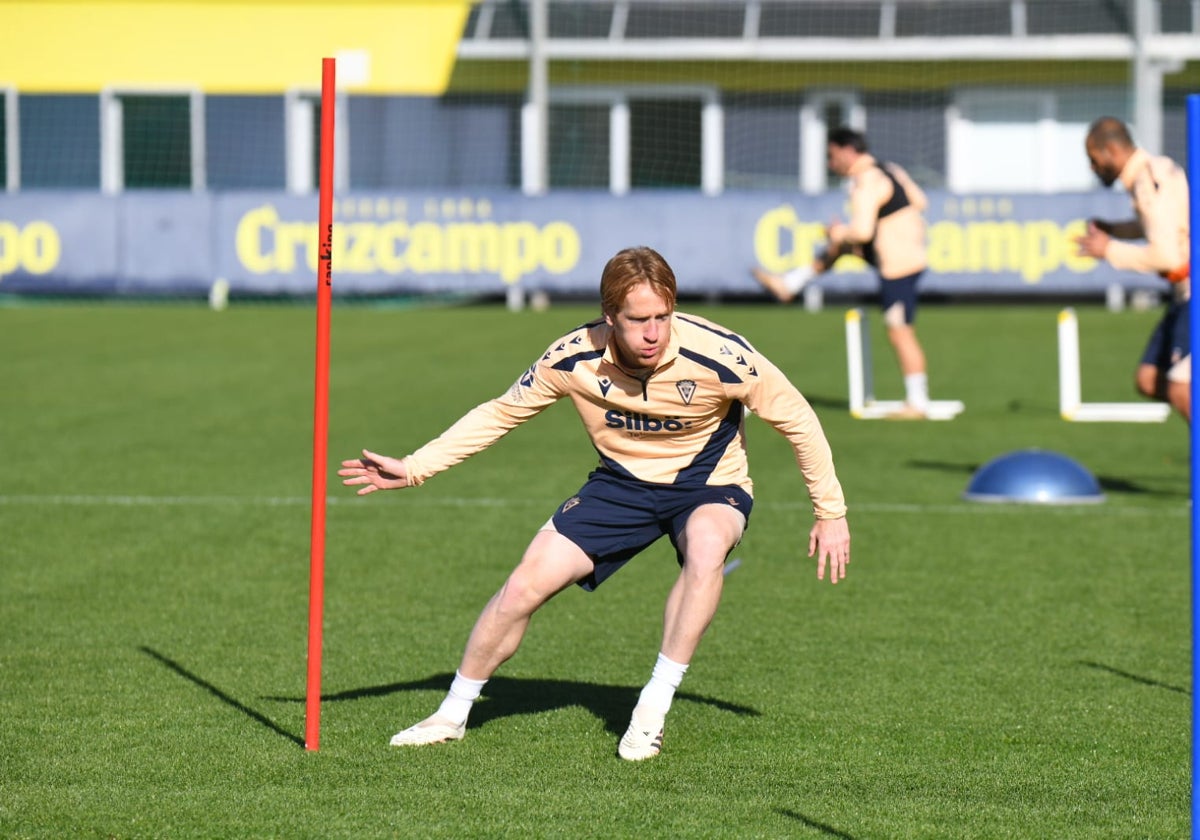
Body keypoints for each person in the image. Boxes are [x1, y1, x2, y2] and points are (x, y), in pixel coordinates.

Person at [339, 246, 851, 761]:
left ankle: (651, 709)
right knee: (523, 585)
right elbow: (501, 413)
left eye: (662, 317)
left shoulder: (721, 355)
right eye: (638, 321)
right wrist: (415, 466)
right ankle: (451, 714)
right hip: (620, 484)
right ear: (610, 318)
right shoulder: (573, 356)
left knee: (706, 548)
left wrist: (829, 512)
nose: (653, 333)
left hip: (708, 485)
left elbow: (798, 419)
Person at [752, 127, 932, 419]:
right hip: (909, 252)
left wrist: (838, 232)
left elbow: (861, 232)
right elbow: (921, 201)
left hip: (898, 263)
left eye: (832, 155)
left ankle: (918, 401)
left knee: (899, 329)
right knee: (839, 249)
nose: (830, 163)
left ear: (848, 151)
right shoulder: (890, 169)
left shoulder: (865, 182)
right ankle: (791, 283)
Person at [1074, 116, 1191, 424]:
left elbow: (1167, 257)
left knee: (1182, 390)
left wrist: (1108, 250)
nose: (1092, 166)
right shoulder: (1151, 172)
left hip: (1193, 290)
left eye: (1093, 158)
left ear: (1111, 149)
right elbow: (1163, 228)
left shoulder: (1148, 181)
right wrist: (1115, 230)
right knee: (1149, 379)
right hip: (1181, 295)